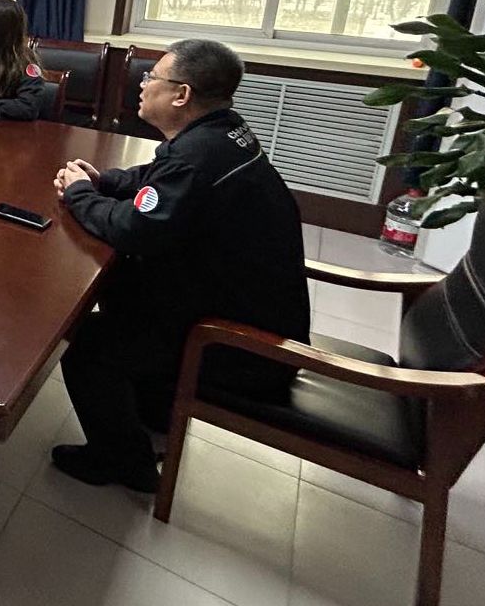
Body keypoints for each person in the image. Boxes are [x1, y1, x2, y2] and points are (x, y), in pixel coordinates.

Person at [49, 39, 310, 492]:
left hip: (242, 346)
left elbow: (135, 229)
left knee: (91, 344)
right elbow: (158, 178)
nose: (143, 84)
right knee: (119, 287)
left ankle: (123, 463)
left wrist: (80, 195)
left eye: (152, 77)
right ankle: (152, 411)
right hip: (241, 305)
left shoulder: (197, 157)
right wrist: (103, 181)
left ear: (181, 95)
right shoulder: (220, 132)